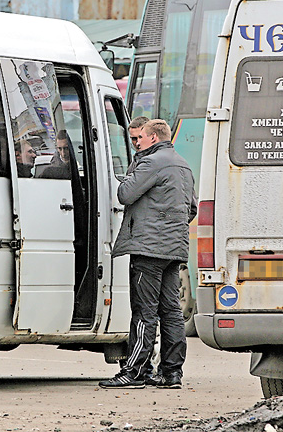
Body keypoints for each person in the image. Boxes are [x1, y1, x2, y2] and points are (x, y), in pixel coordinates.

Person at [99, 119, 197, 390]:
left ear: (153, 137)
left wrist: (131, 172)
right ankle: (172, 373)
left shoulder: (151, 163)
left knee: (144, 311)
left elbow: (125, 193)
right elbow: (192, 208)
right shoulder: (183, 165)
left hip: (148, 247)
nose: (137, 142)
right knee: (171, 310)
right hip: (174, 248)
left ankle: (135, 372)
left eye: (140, 137)